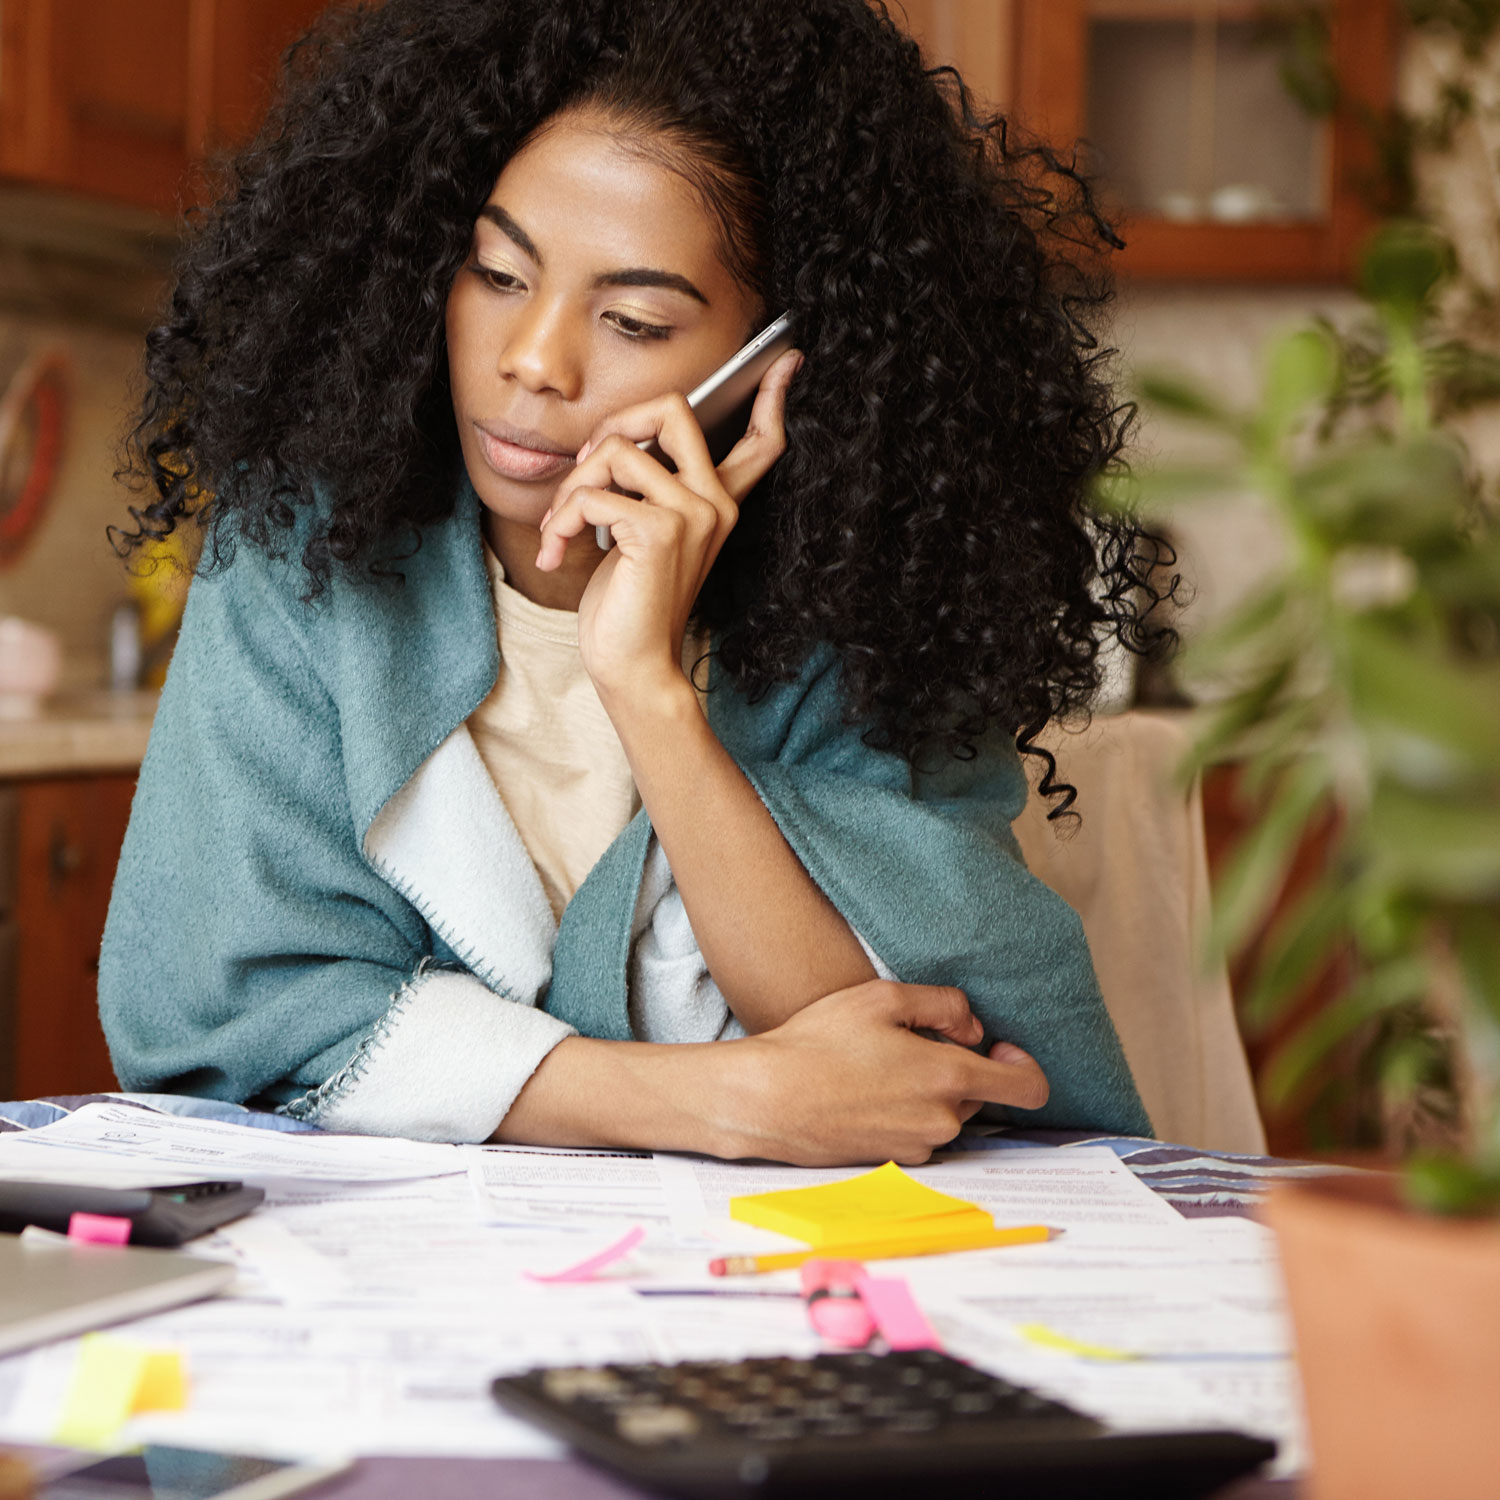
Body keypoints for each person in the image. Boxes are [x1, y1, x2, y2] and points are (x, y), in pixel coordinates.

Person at [100, 0, 1167, 1163]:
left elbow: (892, 1059)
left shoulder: (876, 618)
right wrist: (713, 1100)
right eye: (497, 273)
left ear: (784, 363)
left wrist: (645, 688)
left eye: (634, 320)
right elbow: (234, 1019)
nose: (533, 361)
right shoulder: (308, 555)